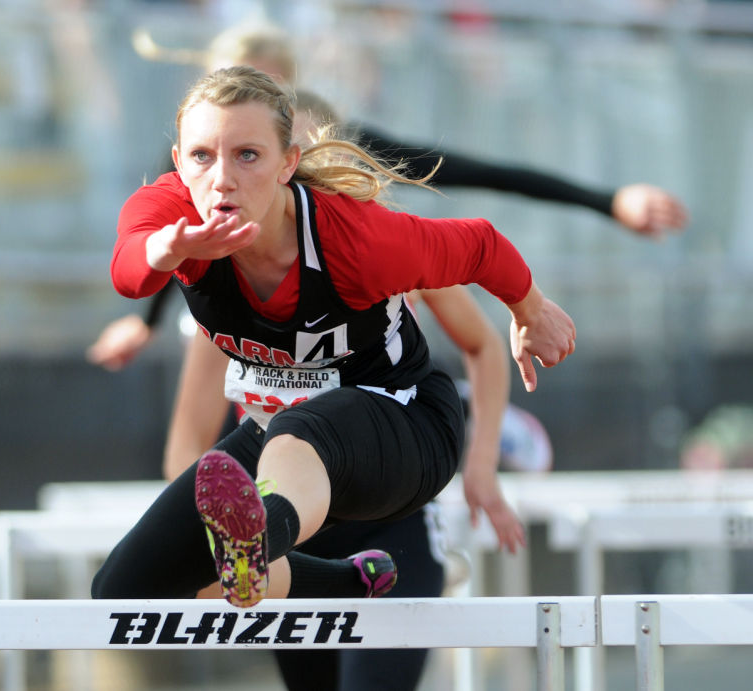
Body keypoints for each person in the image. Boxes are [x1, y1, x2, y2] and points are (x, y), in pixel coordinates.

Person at [91, 66, 575, 613]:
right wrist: (166, 251)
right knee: (123, 590)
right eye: (202, 157)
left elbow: (480, 245)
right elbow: (128, 272)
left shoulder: (355, 240)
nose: (221, 178)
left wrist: (529, 310)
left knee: (300, 427)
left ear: (287, 164)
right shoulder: (169, 214)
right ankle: (343, 580)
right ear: (179, 165)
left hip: (407, 428)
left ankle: (253, 542)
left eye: (247, 155)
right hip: (284, 434)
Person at [87, 23, 687, 372]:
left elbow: (483, 184)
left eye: (268, 90)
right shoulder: (193, 174)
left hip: (347, 365)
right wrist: (144, 320)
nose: (228, 167)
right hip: (243, 350)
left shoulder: (343, 165)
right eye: (229, 89)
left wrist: (609, 201)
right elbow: (173, 239)